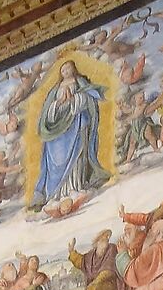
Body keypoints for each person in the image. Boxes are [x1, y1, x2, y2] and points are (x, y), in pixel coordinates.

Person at [28, 60, 111, 210]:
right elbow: (47, 113)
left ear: (74, 69)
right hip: (57, 131)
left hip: (77, 122)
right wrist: (59, 103)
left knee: (77, 156)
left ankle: (75, 187)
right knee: (54, 160)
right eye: (63, 69)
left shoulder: (81, 83)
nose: (65, 71)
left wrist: (74, 100)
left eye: (68, 68)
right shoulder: (55, 89)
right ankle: (56, 195)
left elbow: (89, 100)